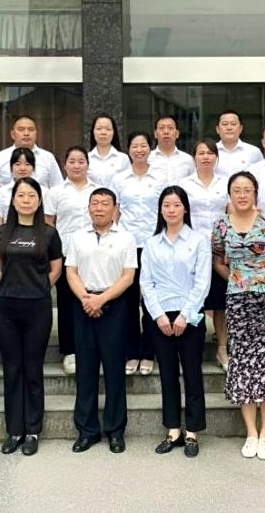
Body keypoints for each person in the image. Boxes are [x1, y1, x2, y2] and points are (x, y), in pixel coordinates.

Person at [212, 171, 265, 461]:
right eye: (236, 190)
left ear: (255, 193)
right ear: (230, 194)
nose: (242, 194)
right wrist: (238, 279)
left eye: (247, 189)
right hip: (238, 302)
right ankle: (251, 432)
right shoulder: (221, 225)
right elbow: (218, 261)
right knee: (242, 365)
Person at [0, 177, 63, 457]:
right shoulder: (1, 232)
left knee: (33, 368)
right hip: (6, 308)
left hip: (37, 308)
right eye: (21, 195)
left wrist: (40, 287)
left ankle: (32, 430)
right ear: (13, 200)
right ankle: (14, 430)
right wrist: (11, 285)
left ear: (39, 200)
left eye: (31, 195)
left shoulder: (49, 233)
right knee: (12, 369)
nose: (26, 200)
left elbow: (56, 268)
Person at [141, 186, 211, 458]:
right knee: (167, 374)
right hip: (160, 316)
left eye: (176, 205)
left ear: (185, 208)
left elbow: (202, 282)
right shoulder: (151, 244)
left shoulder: (198, 241)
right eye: (166, 205)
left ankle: (192, 431)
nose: (171, 210)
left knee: (192, 373)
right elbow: (146, 283)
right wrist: (158, 315)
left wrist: (185, 315)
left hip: (189, 316)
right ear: (160, 210)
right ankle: (173, 430)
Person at [65, 188, 137, 453]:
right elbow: (71, 272)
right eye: (94, 203)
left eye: (105, 203)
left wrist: (102, 299)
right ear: (88, 208)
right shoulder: (77, 237)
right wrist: (87, 298)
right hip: (83, 304)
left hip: (114, 306)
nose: (99, 208)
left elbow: (128, 276)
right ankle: (87, 431)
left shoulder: (126, 238)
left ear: (115, 208)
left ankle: (115, 430)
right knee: (85, 370)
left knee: (115, 370)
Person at [112, 131, 163, 377]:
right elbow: (115, 211)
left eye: (143, 145)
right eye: (135, 146)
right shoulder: (120, 179)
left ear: (149, 148)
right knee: (129, 301)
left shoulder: (160, 177)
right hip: (128, 245)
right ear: (128, 150)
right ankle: (132, 352)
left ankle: (149, 353)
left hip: (154, 245)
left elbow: (166, 209)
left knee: (151, 300)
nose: (139, 150)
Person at [45, 146, 98, 376]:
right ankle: (70, 351)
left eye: (81, 161)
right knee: (67, 303)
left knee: (92, 298)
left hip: (93, 253)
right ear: (64, 165)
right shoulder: (56, 192)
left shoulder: (97, 190)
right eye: (72, 161)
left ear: (88, 164)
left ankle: (93, 347)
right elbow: (49, 224)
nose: (76, 165)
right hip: (66, 253)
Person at [179, 139, 231, 371]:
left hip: (220, 248)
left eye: (210, 153)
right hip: (192, 248)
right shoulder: (184, 184)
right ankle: (192, 348)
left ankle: (222, 349)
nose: (206, 157)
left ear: (216, 157)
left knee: (221, 302)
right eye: (201, 153)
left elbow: (231, 213)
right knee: (194, 299)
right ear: (194, 158)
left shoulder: (226, 182)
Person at [0, 114, 63, 191]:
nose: (26, 133)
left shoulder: (48, 157)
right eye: (21, 129)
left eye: (31, 129)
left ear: (36, 134)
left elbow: (57, 187)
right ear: (12, 134)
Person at [0, 147, 36, 234]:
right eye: (17, 164)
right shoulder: (0, 193)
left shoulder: (43, 192)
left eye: (27, 164)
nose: (22, 168)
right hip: (8, 238)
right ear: (11, 167)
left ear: (33, 167)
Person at [214, 110, 262, 178]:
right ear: (217, 129)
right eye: (225, 124)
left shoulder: (253, 152)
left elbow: (260, 177)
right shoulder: (210, 151)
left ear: (240, 128)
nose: (229, 128)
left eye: (233, 124)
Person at [148, 115, 195, 184]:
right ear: (155, 134)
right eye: (161, 128)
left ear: (177, 134)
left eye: (170, 128)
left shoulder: (187, 159)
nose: (166, 132)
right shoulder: (148, 158)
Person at [87, 113, 130, 187]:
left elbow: (127, 185)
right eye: (99, 129)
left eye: (108, 129)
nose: (103, 132)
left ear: (114, 132)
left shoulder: (123, 158)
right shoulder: (86, 158)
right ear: (93, 132)